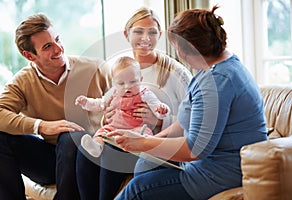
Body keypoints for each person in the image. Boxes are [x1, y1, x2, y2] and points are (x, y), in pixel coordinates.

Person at [107, 5, 268, 200]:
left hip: (221, 172)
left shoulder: (216, 82)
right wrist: (146, 138)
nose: (177, 54)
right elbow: (185, 122)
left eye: (176, 47)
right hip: (209, 164)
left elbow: (195, 149)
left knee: (137, 190)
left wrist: (142, 142)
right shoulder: (216, 66)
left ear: (188, 49)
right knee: (145, 164)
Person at [76, 7, 192, 200]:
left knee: (113, 149)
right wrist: (107, 117)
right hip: (124, 138)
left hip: (155, 146)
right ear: (126, 34)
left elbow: (193, 120)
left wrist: (158, 121)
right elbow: (108, 104)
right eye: (138, 31)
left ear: (160, 35)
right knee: (86, 150)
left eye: (152, 32)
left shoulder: (176, 72)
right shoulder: (119, 70)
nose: (145, 38)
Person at [0, 13, 111, 200]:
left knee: (70, 134)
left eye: (57, 39)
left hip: (89, 156)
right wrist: (41, 126)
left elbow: (124, 97)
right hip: (51, 160)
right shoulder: (23, 81)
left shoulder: (95, 69)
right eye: (48, 46)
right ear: (29, 55)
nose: (58, 49)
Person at [75, 56, 170, 157]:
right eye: (121, 83)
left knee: (146, 132)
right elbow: (100, 104)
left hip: (135, 128)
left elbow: (157, 106)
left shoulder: (145, 94)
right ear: (115, 83)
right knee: (101, 132)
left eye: (133, 82)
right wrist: (86, 102)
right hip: (114, 128)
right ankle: (97, 147)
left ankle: (141, 150)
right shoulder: (113, 93)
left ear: (141, 79)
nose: (127, 86)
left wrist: (162, 109)